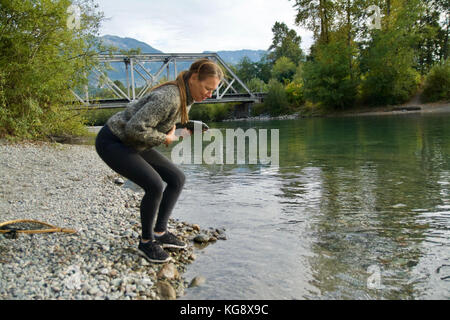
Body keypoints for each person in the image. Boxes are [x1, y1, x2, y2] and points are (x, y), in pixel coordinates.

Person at [95, 58, 224, 263]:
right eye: (207, 88)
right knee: (154, 185)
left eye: (213, 91)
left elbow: (160, 123)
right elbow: (135, 128)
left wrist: (181, 130)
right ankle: (146, 242)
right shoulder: (170, 97)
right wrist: (165, 138)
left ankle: (161, 233)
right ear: (193, 78)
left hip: (133, 143)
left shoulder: (186, 97)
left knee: (177, 178)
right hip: (113, 141)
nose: (209, 95)